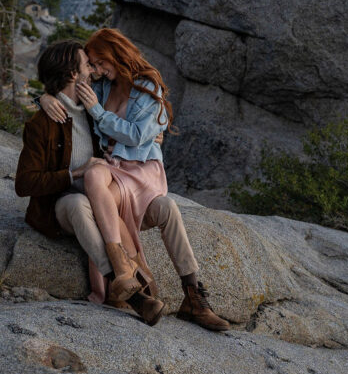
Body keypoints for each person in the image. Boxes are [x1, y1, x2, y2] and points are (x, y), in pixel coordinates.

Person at [39, 28, 230, 332]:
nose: (97, 70)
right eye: (94, 65)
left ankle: (194, 296)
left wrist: (99, 114)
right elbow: (68, 88)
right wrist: (45, 96)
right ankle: (124, 271)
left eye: (100, 63)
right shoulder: (102, 86)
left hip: (140, 172)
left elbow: (138, 136)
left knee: (167, 208)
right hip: (112, 168)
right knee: (94, 176)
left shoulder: (147, 88)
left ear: (116, 55)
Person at [15, 39, 166, 325]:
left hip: (98, 197)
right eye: (87, 64)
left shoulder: (93, 109)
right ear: (73, 74)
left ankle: (134, 279)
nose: (92, 68)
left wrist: (157, 131)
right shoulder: (42, 124)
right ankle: (130, 290)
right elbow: (24, 184)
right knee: (77, 201)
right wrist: (76, 173)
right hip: (59, 204)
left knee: (100, 198)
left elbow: (133, 124)